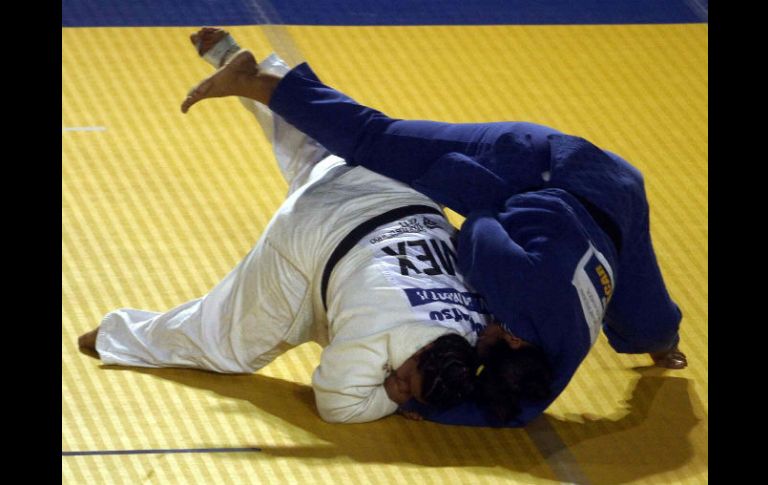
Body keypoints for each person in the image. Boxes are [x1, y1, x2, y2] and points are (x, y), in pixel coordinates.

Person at [179, 32, 688, 427]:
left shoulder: (555, 357)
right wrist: (443, 176)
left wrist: (428, 407)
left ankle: (663, 344)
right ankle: (255, 79)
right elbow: (477, 223)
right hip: (541, 164)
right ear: (510, 339)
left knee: (649, 325)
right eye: (486, 336)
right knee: (377, 141)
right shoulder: (509, 280)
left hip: (618, 201)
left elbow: (517, 413)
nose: (478, 330)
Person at [77, 34, 495, 425]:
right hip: (317, 234)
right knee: (227, 345)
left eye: (405, 392)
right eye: (407, 381)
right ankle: (117, 336)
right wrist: (391, 397)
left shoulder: (478, 326)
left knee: (318, 143)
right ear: (423, 354)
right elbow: (338, 406)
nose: (399, 388)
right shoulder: (378, 338)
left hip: (399, 190)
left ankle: (238, 64)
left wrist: (411, 388)